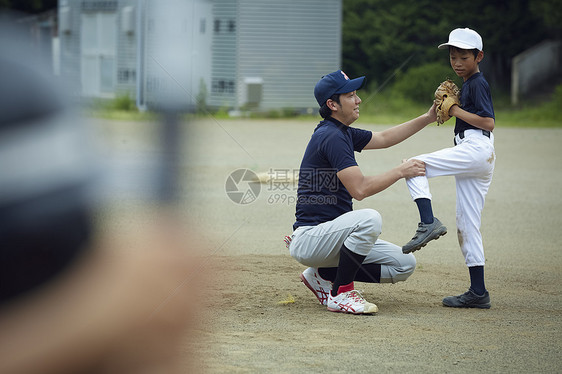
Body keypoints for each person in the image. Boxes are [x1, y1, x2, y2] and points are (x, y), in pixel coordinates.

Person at [286, 70, 438, 314]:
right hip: (312, 238)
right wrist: (401, 171)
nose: (358, 100)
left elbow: (385, 137)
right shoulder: (331, 136)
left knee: (403, 264)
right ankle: (341, 293)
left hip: (330, 239)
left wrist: (428, 117)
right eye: (351, 95)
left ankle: (323, 274)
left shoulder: (341, 132)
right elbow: (360, 189)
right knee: (370, 219)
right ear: (332, 104)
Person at [402, 28, 496, 309]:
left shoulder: (477, 83)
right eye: (453, 57)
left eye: (464, 57)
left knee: (413, 165)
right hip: (478, 155)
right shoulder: (468, 83)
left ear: (479, 56)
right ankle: (478, 292)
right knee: (467, 224)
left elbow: (488, 122)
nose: (456, 62)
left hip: (475, 149)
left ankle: (428, 221)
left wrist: (454, 110)